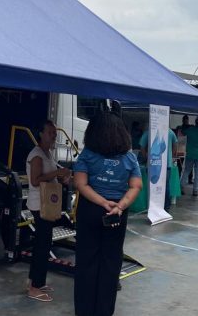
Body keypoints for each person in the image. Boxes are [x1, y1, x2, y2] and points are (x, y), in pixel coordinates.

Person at [73, 112, 142, 316]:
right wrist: (119, 206)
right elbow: (136, 186)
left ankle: (84, 311)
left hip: (91, 210)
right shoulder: (129, 157)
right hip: (117, 214)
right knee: (111, 262)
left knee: (86, 261)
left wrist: (102, 202)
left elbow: (80, 183)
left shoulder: (87, 155)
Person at [25, 120, 70, 302]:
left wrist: (61, 176)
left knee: (45, 243)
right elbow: (36, 181)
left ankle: (38, 281)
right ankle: (34, 287)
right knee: (41, 245)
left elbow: (51, 176)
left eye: (54, 132)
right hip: (39, 204)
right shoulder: (36, 155)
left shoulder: (47, 153)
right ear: (41, 134)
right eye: (51, 132)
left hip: (47, 205)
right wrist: (55, 174)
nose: (54, 135)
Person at [139, 126, 180, 209]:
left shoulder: (149, 131)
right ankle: (166, 208)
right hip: (166, 164)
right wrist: (172, 157)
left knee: (151, 186)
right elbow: (175, 145)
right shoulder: (170, 131)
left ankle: (152, 207)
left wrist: (146, 158)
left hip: (152, 164)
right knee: (166, 186)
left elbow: (142, 146)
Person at [181, 117, 198, 196]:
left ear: (196, 122)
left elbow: (183, 132)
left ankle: (181, 187)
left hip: (190, 154)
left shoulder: (191, 129)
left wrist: (188, 125)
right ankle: (195, 190)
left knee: (186, 171)